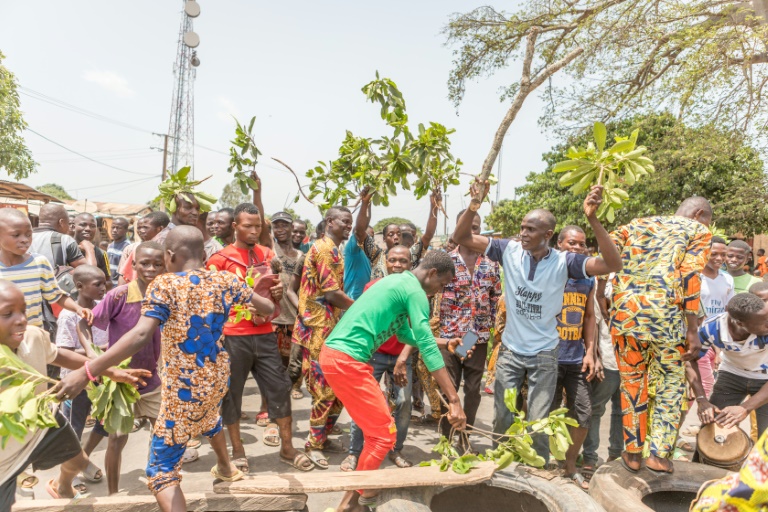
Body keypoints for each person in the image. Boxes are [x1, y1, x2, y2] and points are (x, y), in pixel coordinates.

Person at [54, 226, 277, 512]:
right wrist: (258, 288)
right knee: (210, 418)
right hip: (216, 378)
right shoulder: (225, 280)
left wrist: (87, 370)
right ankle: (225, 467)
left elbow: (139, 335)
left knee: (161, 473)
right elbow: (267, 307)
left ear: (169, 255)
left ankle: (217, 471)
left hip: (182, 390)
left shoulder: (166, 285)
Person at [452, 181, 621, 461]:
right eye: (522, 227)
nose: (523, 233)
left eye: (530, 229)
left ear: (548, 234)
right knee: (503, 417)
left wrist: (593, 219)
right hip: (510, 351)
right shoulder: (508, 250)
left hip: (544, 352)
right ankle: (501, 464)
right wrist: (474, 205)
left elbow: (613, 264)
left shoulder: (565, 262)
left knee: (539, 422)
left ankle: (537, 469)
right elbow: (462, 236)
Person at [322, 250, 467, 512]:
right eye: (442, 284)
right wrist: (454, 400)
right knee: (383, 435)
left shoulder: (397, 283)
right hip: (346, 361)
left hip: (338, 358)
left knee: (377, 431)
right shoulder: (414, 292)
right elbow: (425, 346)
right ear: (432, 273)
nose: (440, 290)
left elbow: (404, 334)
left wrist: (445, 342)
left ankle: (360, 497)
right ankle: (348, 505)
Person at [0, 280, 147, 512]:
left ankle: (62, 486)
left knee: (78, 462)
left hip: (43, 422)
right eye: (7, 314)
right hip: (5, 451)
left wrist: (109, 370)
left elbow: (61, 356)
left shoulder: (33, 337)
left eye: (23, 311)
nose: (20, 319)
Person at [607, 196, 712, 474]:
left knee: (631, 384)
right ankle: (658, 455)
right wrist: (693, 328)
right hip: (665, 318)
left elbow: (606, 254)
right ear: (700, 214)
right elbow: (690, 275)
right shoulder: (698, 231)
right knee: (669, 385)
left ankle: (632, 454)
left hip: (625, 315)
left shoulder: (636, 224)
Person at [208, 204, 312, 472]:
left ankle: (287, 448)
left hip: (266, 332)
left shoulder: (267, 255)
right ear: (235, 227)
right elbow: (210, 302)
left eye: (258, 227)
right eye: (248, 226)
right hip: (233, 336)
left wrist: (277, 290)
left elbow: (276, 291)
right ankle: (238, 452)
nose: (254, 231)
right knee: (232, 395)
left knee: (279, 388)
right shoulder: (220, 260)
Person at [76, 241, 166, 495]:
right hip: (120, 381)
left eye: (157, 264)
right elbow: (84, 325)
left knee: (163, 435)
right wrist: (94, 357)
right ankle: (112, 496)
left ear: (165, 266)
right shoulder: (119, 295)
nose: (151, 268)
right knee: (116, 438)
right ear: (133, 265)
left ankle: (160, 483)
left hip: (152, 380)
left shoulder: (166, 295)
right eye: (145, 263)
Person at [342, 245, 419, 472]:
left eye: (403, 261)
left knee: (404, 403)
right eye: (393, 260)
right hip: (374, 354)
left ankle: (396, 449)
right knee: (362, 403)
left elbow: (416, 332)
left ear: (410, 264)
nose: (397, 265)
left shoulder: (415, 292)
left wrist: (402, 360)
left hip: (402, 355)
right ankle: (354, 452)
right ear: (385, 262)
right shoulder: (372, 287)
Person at [292, 206, 355, 468]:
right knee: (324, 388)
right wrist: (363, 308)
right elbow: (332, 293)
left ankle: (324, 436)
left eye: (350, 222)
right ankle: (313, 444)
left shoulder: (332, 248)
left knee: (339, 388)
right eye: (345, 221)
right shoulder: (326, 249)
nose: (348, 226)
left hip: (328, 326)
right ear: (330, 222)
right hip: (318, 329)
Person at [434, 209, 501, 450]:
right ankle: (445, 438)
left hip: (477, 336)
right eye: (468, 226)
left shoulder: (491, 262)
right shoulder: (445, 261)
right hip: (449, 336)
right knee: (448, 387)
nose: (473, 231)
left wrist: (493, 329)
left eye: (477, 227)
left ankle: (465, 438)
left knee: (473, 391)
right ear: (458, 226)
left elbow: (496, 298)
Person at [549, 225, 598, 488]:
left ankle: (570, 465)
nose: (578, 248)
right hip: (549, 356)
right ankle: (543, 462)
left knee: (583, 413)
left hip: (576, 357)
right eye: (572, 243)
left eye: (582, 244)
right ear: (559, 244)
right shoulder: (550, 273)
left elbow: (590, 316)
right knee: (546, 412)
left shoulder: (588, 278)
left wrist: (590, 352)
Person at [55, 265, 109, 493]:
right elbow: (63, 352)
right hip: (77, 383)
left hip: (102, 381)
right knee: (73, 430)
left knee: (105, 426)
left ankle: (82, 460)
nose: (103, 288)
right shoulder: (68, 316)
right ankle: (68, 476)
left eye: (104, 283)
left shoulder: (102, 309)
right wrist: (98, 352)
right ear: (79, 287)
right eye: (97, 284)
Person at [692, 293, 768, 441]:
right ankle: (703, 464)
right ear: (740, 323)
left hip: (765, 377)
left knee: (765, 438)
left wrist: (745, 408)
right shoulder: (712, 328)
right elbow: (691, 360)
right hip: (732, 374)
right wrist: (702, 399)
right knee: (713, 428)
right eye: (764, 321)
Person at [0, 209, 92, 331]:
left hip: (33, 337)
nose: (24, 239)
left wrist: (78, 308)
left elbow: (56, 295)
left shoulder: (39, 263)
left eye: (28, 234)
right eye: (16, 235)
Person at [581, 273, 623, 474]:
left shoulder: (643, 277)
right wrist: (595, 354)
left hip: (633, 361)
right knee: (596, 408)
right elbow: (594, 320)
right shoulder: (603, 282)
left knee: (623, 410)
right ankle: (590, 457)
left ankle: (617, 454)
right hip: (607, 355)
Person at [30, 203, 88, 347]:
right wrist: (90, 249)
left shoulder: (22, 239)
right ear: (62, 222)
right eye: (68, 223)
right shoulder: (65, 240)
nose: (69, 228)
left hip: (27, 307)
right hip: (55, 306)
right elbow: (87, 271)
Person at [354, 189, 440, 279]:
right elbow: (360, 232)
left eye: (399, 234)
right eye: (391, 234)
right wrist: (365, 202)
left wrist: (434, 206)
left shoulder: (411, 255)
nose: (396, 237)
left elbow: (428, 236)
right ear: (384, 239)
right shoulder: (377, 255)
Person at [270, 211, 306, 402]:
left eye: (285, 225)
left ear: (292, 228)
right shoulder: (270, 251)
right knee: (275, 360)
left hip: (294, 313)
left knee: (295, 358)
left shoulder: (302, 256)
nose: (280, 229)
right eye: (276, 226)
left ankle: (295, 385)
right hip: (275, 315)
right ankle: (277, 394)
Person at [118, 212, 170, 285]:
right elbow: (124, 275)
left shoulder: (168, 250)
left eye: (145, 227)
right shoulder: (133, 248)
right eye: (139, 228)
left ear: (160, 229)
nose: (141, 230)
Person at [72, 213, 111, 289]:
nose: (88, 229)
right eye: (83, 225)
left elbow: (108, 282)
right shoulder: (65, 249)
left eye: (92, 226)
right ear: (74, 227)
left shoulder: (101, 253)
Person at [107, 217, 130, 287]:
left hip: (118, 286)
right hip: (109, 285)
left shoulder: (127, 248)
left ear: (126, 230)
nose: (114, 230)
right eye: (113, 227)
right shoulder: (110, 245)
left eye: (118, 228)